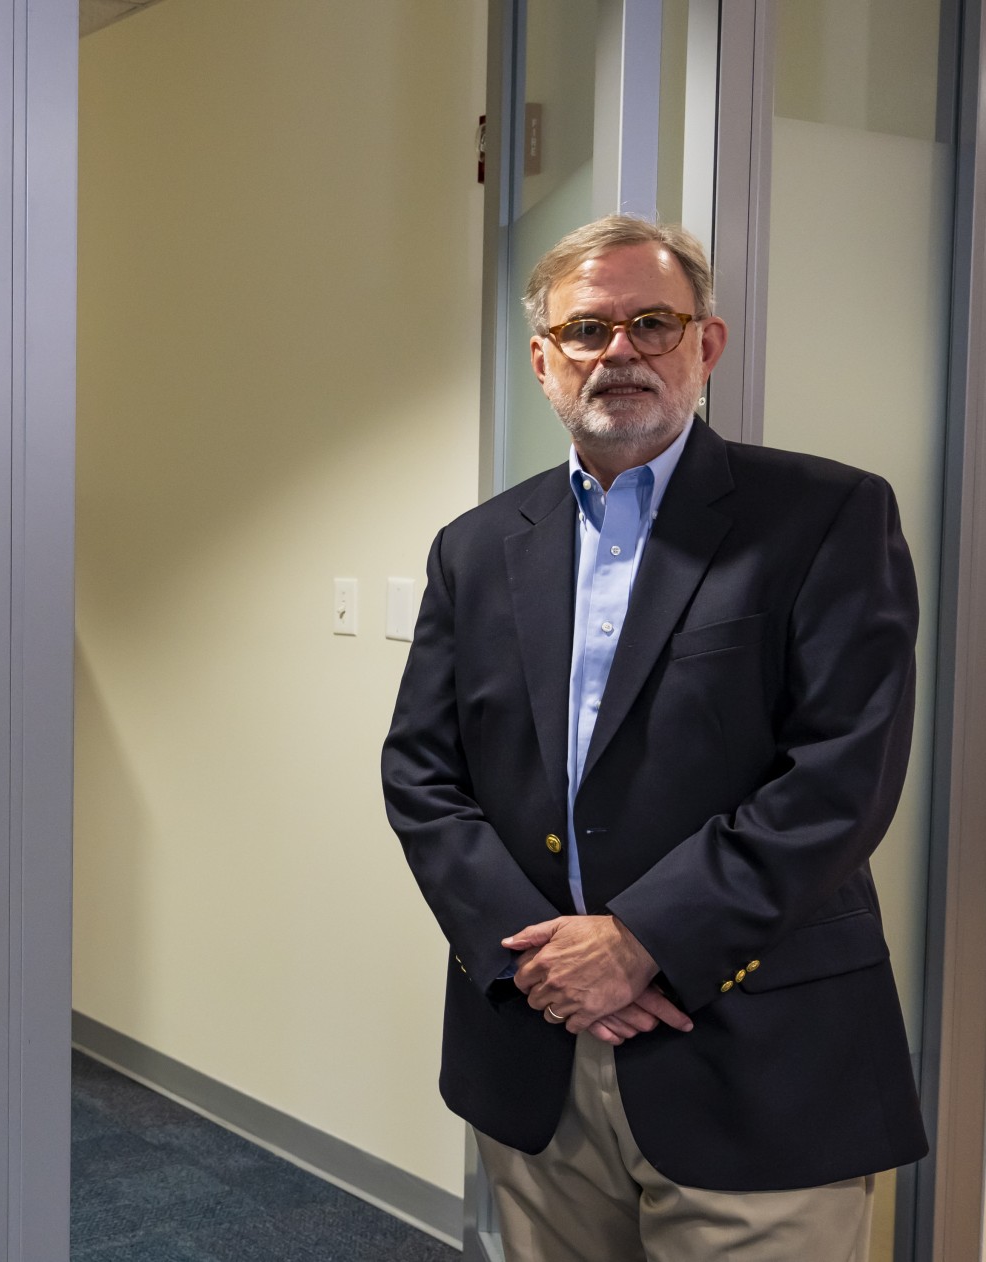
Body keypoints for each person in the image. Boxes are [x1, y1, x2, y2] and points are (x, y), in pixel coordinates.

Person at [381, 214, 927, 1260]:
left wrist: (639, 941)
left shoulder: (824, 515)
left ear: (704, 345)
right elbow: (421, 770)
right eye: (586, 329)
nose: (618, 351)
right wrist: (538, 960)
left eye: (652, 321)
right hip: (536, 1048)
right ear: (542, 359)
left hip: (754, 1047)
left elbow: (840, 773)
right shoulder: (478, 545)